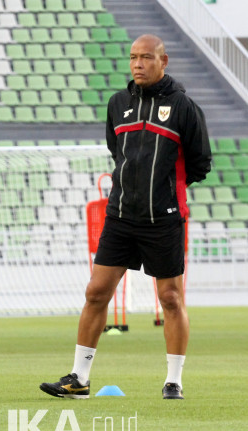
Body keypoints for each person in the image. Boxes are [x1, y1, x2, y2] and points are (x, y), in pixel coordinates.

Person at [40, 34, 211, 400]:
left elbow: (200, 163)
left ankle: (174, 381)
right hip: (119, 215)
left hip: (163, 218)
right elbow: (117, 152)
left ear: (163, 62)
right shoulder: (118, 104)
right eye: (133, 57)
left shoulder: (183, 107)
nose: (137, 64)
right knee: (96, 292)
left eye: (146, 57)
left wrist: (165, 191)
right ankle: (79, 379)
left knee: (171, 299)